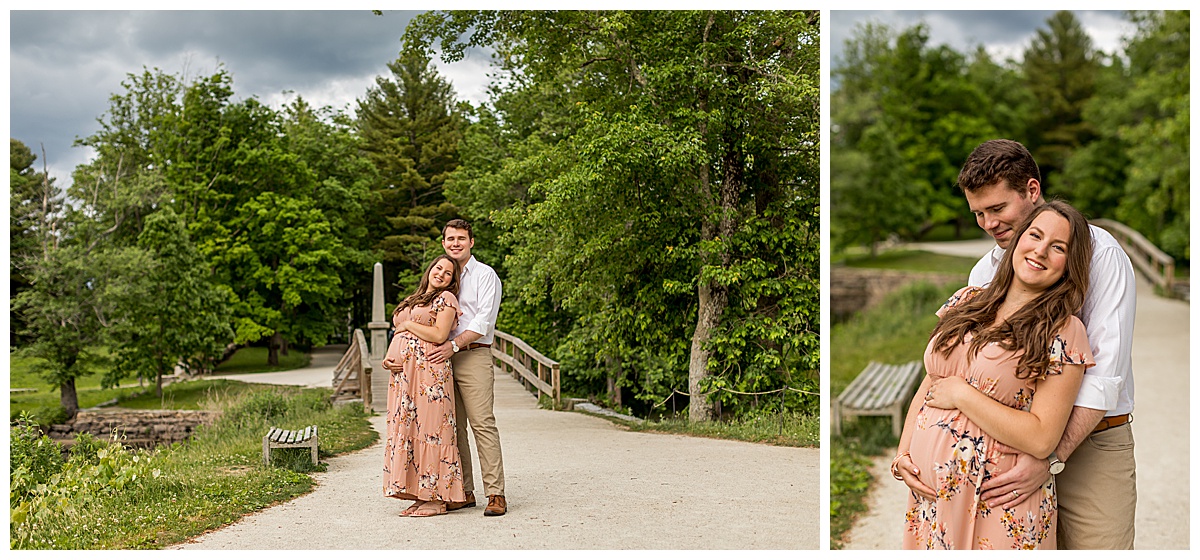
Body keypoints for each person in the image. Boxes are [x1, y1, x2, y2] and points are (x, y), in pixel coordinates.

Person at [958, 139, 1137, 549]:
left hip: (1090, 442)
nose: (988, 224)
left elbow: (1104, 377)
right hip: (1001, 448)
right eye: (978, 214)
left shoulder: (1102, 255)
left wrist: (1049, 458)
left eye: (998, 209)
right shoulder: (983, 274)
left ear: (1032, 191)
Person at [896, 200, 1096, 549]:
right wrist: (903, 453)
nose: (1041, 251)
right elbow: (932, 381)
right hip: (932, 502)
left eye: (1058, 247)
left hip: (999, 505)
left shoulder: (1064, 331)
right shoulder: (966, 300)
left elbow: (1042, 438)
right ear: (1018, 239)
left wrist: (962, 395)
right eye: (1034, 235)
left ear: (1069, 265)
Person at [383, 218, 507, 516]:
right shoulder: (443, 276)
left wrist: (451, 345)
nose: (456, 243)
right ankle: (462, 491)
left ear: (471, 242)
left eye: (461, 238)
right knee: (452, 428)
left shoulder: (485, 275)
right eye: (450, 238)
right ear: (443, 242)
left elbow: (483, 322)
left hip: (471, 354)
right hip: (437, 363)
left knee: (482, 423)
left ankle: (496, 493)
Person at [382, 254, 466, 518]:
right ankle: (419, 494)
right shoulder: (414, 299)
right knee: (409, 429)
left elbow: (440, 334)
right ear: (430, 269)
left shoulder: (446, 299)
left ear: (452, 281)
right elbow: (399, 334)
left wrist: (408, 324)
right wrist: (389, 357)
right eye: (438, 268)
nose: (441, 274)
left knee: (432, 430)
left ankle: (438, 498)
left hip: (429, 375)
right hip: (404, 377)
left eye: (448, 273)